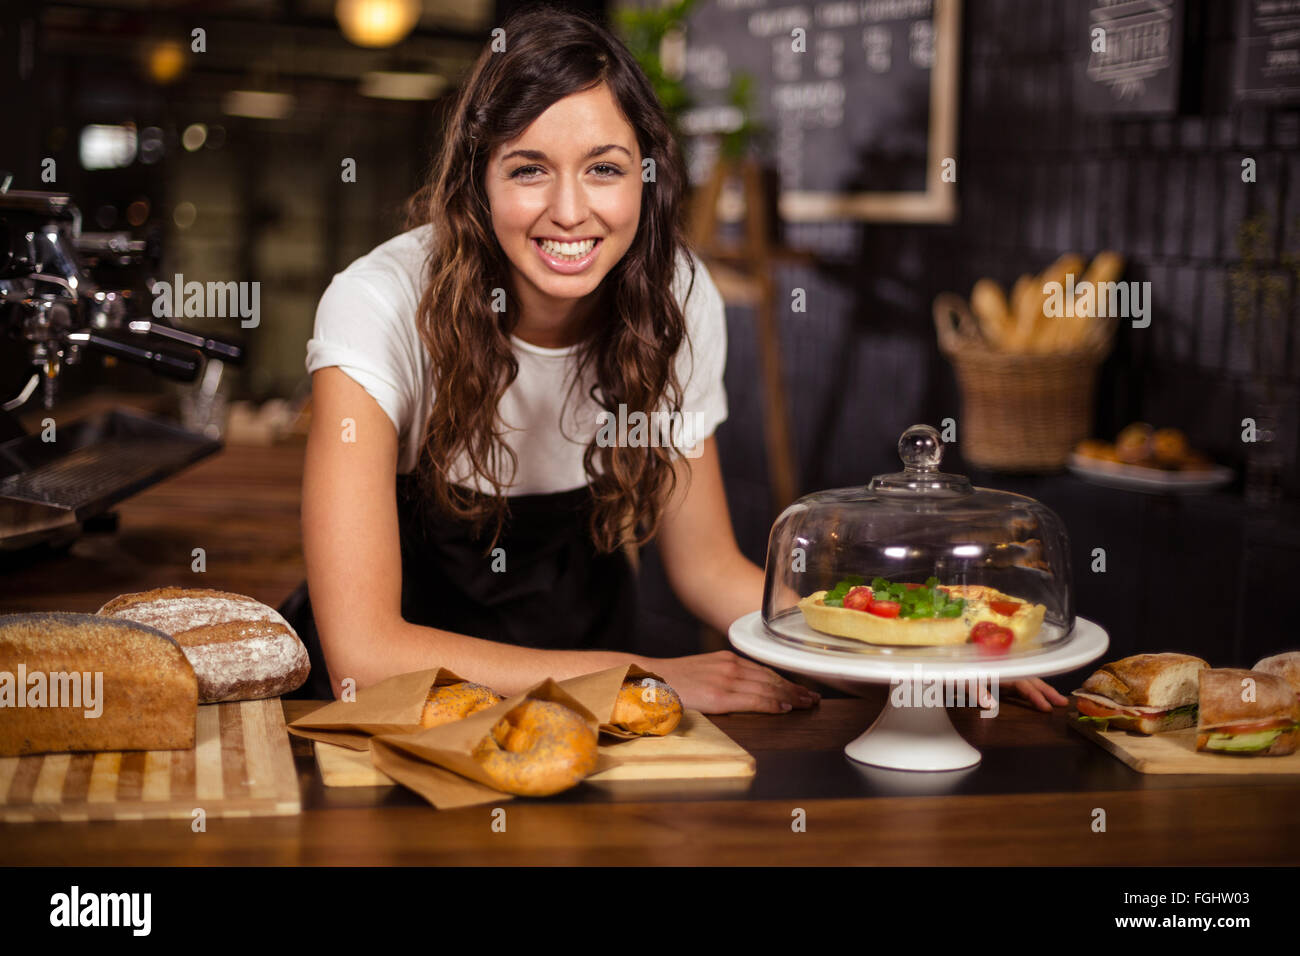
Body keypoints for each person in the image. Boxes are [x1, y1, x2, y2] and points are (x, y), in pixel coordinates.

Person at [280, 4, 1065, 716]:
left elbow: (707, 570)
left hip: (591, 708)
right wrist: (644, 675)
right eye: (527, 168)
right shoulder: (379, 305)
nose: (569, 210)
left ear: (646, 181)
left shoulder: (674, 295)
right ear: (476, 186)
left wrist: (912, 653)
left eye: (605, 168)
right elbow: (366, 656)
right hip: (398, 715)